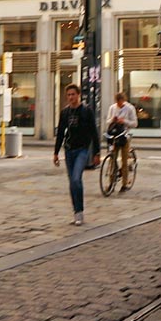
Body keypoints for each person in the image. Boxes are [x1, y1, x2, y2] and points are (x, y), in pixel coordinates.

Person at [53, 84, 100, 226]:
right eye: (68, 95)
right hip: (69, 150)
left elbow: (94, 133)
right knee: (72, 183)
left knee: (76, 179)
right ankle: (76, 212)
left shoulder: (86, 111)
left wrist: (97, 153)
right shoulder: (65, 113)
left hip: (82, 150)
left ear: (78, 95)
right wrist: (56, 153)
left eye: (73, 94)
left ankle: (80, 212)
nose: (70, 97)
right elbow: (61, 133)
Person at [104, 91, 138, 189]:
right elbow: (108, 121)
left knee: (124, 160)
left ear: (124, 100)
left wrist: (124, 121)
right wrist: (113, 120)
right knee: (112, 158)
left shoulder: (130, 108)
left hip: (124, 135)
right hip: (114, 135)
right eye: (118, 102)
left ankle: (124, 183)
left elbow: (135, 123)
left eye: (121, 102)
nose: (119, 104)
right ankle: (111, 182)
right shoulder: (112, 108)